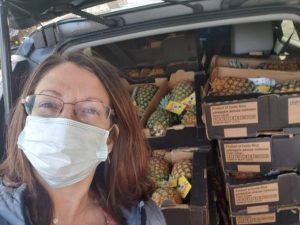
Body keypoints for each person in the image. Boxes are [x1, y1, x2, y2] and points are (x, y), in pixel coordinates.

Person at [0, 52, 167, 225]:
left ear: (110, 138)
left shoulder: (145, 217)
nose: (65, 121)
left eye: (89, 110)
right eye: (47, 104)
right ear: (26, 118)